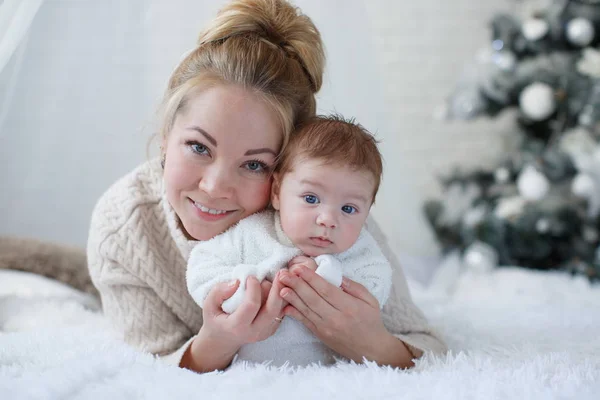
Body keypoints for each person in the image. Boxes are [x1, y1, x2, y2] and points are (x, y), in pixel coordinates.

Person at [87, 0, 447, 374]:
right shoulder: (124, 228)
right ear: (165, 136)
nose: (214, 187)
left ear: (285, 176)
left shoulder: (324, 218)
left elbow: (427, 345)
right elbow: (145, 368)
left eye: (255, 164)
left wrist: (368, 342)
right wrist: (215, 344)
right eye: (198, 147)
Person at [187, 116, 393, 367]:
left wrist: (327, 280)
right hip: (248, 375)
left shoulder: (361, 249)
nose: (328, 219)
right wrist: (245, 287)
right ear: (277, 192)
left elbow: (376, 285)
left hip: (329, 378)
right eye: (310, 198)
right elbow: (202, 265)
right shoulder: (253, 232)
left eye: (348, 209)